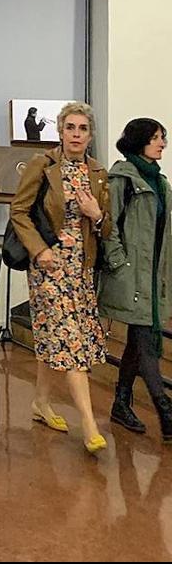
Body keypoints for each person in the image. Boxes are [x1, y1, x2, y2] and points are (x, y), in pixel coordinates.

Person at [10, 102, 111, 455]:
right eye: (70, 127)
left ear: (90, 134)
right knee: (71, 344)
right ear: (60, 130)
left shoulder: (98, 172)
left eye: (83, 129)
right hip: (49, 266)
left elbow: (108, 226)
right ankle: (89, 425)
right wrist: (39, 250)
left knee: (55, 337)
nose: (76, 135)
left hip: (81, 269)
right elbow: (19, 211)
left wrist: (96, 215)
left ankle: (40, 402)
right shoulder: (44, 165)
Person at [99, 118, 172, 442]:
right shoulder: (122, 180)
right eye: (156, 138)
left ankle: (120, 402)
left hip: (154, 277)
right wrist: (119, 263)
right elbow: (108, 227)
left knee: (137, 341)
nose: (162, 144)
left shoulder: (162, 184)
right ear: (139, 141)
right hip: (132, 276)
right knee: (145, 343)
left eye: (163, 138)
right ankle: (165, 409)